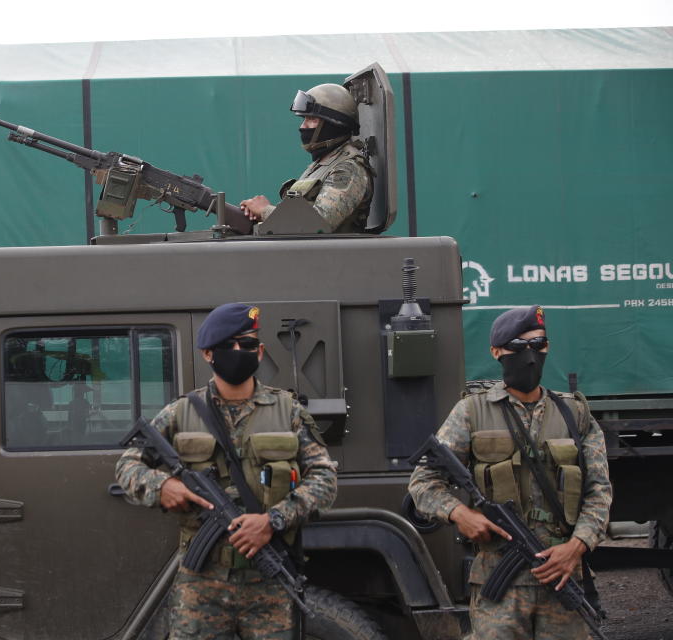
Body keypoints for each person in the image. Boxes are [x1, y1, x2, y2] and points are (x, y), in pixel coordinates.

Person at [115, 303, 337, 639]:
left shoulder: (288, 410)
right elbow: (127, 465)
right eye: (227, 346)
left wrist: (272, 521)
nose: (239, 353)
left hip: (269, 581)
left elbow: (324, 478)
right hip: (201, 583)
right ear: (207, 354)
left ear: (260, 352)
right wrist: (163, 486)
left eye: (247, 346)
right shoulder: (181, 412)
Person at [408, 306, 612, 640]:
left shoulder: (575, 414)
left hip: (562, 577)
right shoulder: (471, 412)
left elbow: (599, 491)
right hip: (498, 584)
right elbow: (423, 482)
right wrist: (460, 514)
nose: (530, 357)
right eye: (519, 347)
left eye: (539, 345)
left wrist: (577, 545)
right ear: (497, 352)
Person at [239, 83, 373, 233]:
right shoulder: (321, 165)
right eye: (304, 119)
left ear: (333, 123)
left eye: (312, 119)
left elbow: (316, 225)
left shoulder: (348, 168)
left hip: (331, 255)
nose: (303, 126)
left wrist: (265, 210)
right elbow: (297, 222)